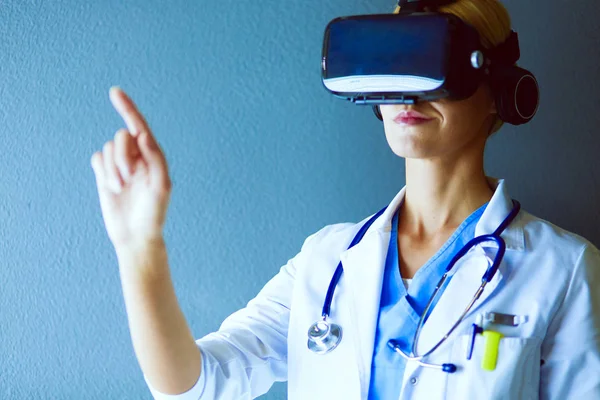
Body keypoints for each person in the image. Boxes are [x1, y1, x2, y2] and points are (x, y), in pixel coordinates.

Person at [90, 0, 600, 399]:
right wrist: (140, 250)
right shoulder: (325, 260)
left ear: (500, 91)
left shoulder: (563, 269)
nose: (407, 92)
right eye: (392, 66)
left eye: (433, 64)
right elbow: (195, 387)